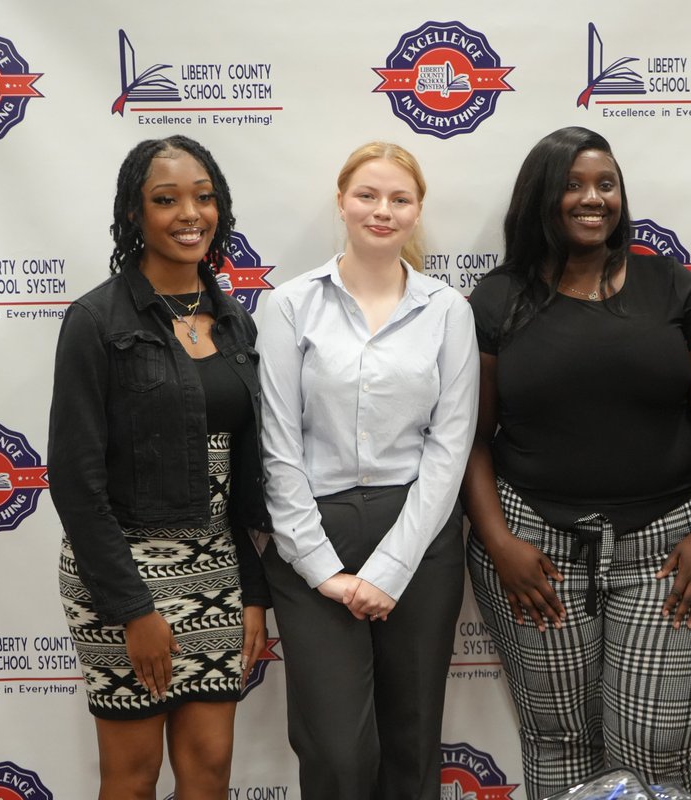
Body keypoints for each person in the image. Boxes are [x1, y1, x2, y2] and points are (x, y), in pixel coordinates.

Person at [463, 126, 691, 798]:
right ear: (542, 198)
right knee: (559, 745)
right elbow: (470, 435)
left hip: (668, 550)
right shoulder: (497, 300)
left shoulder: (672, 288)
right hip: (536, 551)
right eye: (574, 185)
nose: (592, 198)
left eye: (605, 184)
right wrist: (499, 543)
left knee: (654, 750)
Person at [48, 135, 272, 799]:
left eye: (204, 197)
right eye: (166, 199)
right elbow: (74, 479)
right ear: (134, 215)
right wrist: (132, 608)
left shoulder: (234, 323)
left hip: (217, 572)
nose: (190, 213)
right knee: (133, 774)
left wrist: (253, 589)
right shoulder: (95, 320)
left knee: (209, 771)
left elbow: (241, 476)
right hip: (118, 575)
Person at [255, 141, 479, 800]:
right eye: (368, 195)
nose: (382, 211)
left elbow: (450, 443)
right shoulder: (290, 304)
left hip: (417, 531)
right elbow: (279, 444)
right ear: (342, 201)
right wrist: (322, 568)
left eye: (399, 199)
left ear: (417, 211)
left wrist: (389, 569)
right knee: (336, 749)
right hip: (310, 536)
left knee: (411, 740)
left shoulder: (447, 310)